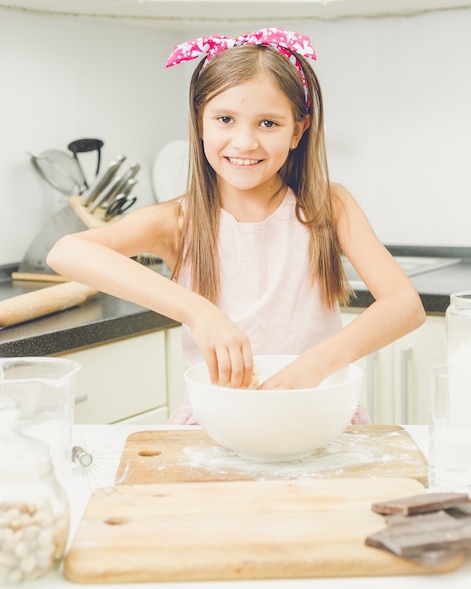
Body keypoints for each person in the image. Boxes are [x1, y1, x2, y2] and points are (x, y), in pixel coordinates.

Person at [47, 28, 426, 425]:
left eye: (268, 123)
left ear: (298, 130)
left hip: (318, 415)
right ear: (199, 122)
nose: (244, 142)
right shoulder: (179, 220)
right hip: (215, 423)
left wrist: (313, 366)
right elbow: (67, 252)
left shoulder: (330, 206)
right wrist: (199, 311)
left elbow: (405, 305)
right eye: (225, 119)